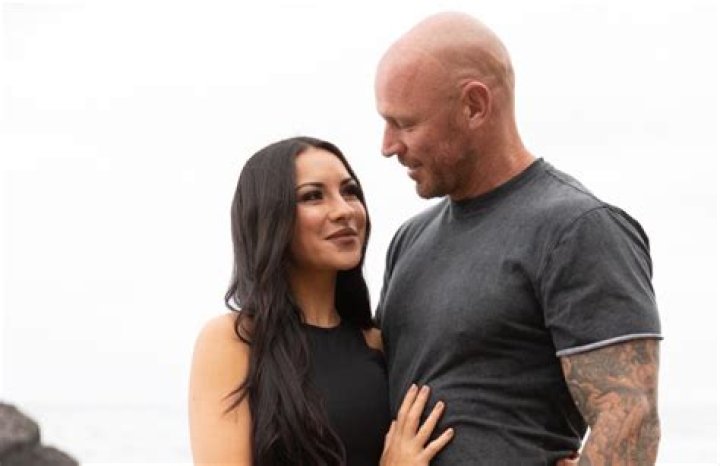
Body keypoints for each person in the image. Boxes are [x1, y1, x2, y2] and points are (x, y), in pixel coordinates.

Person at [374, 12, 662, 465]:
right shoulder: (408, 241)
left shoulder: (577, 228)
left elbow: (630, 418)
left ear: (474, 106)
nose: (388, 145)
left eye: (406, 124)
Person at [187, 136, 454, 466]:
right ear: (270, 217)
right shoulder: (234, 340)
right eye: (313, 196)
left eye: (350, 191)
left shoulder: (377, 343)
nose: (344, 210)